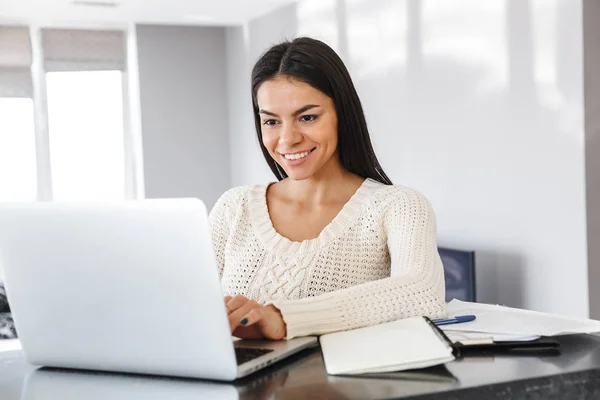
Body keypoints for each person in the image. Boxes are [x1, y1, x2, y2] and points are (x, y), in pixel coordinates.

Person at [209, 37, 447, 341]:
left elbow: (422, 291)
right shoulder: (234, 207)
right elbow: (187, 303)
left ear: (342, 115)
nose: (287, 139)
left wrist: (284, 319)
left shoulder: (398, 206)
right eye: (271, 121)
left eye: (307, 117)